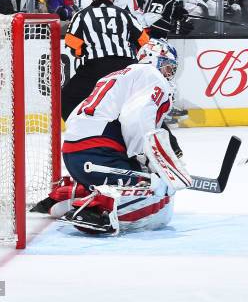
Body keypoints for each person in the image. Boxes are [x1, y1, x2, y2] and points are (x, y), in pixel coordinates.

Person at [34, 39, 191, 235]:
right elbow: (136, 117)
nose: (168, 74)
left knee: (141, 174)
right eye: (167, 67)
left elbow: (78, 117)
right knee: (155, 189)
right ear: (153, 60)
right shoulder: (152, 75)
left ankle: (67, 195)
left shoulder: (116, 76)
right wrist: (149, 161)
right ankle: (98, 209)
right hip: (99, 154)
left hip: (74, 156)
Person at [62, 0, 147, 121]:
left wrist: (82, 51)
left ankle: (83, 131)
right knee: (139, 102)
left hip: (95, 67)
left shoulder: (81, 15)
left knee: (66, 100)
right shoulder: (124, 14)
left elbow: (73, 46)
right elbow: (144, 42)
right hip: (126, 67)